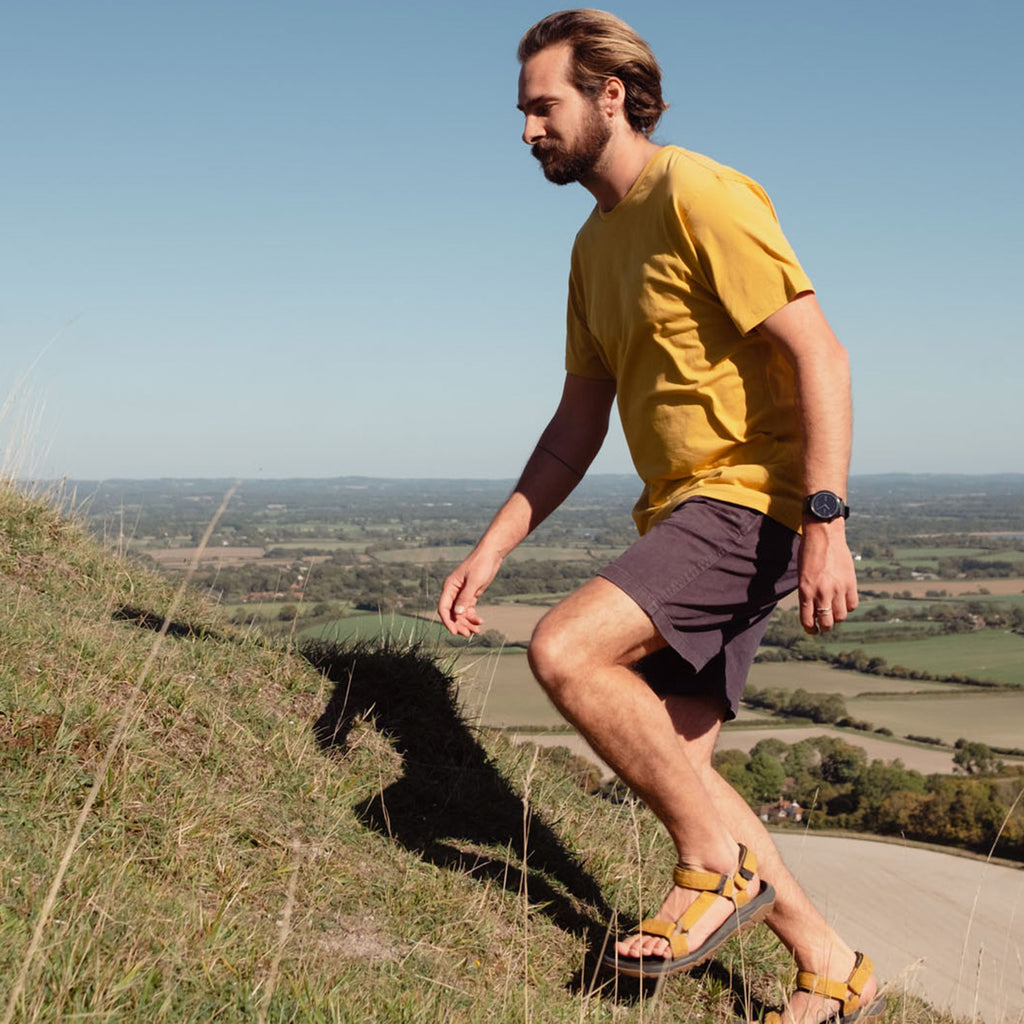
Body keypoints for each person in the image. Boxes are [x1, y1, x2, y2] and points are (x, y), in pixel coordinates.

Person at [438, 10, 885, 1023]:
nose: (527, 131)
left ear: (611, 95)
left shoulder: (698, 192)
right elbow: (576, 424)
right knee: (678, 763)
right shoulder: (592, 247)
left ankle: (710, 867)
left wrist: (826, 521)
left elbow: (821, 353)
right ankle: (832, 968)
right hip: (684, 513)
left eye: (543, 106)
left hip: (751, 498)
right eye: (522, 112)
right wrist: (492, 547)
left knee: (566, 650)